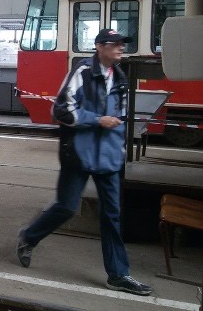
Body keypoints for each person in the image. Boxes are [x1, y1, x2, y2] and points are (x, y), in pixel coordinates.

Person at [15, 29, 151, 296]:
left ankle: (118, 274)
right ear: (99, 46)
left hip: (108, 159)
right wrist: (97, 119)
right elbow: (61, 109)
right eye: (115, 44)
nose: (121, 48)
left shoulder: (121, 79)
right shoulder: (83, 72)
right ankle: (28, 237)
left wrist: (120, 151)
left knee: (112, 215)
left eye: (123, 44)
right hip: (79, 155)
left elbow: (121, 120)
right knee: (66, 207)